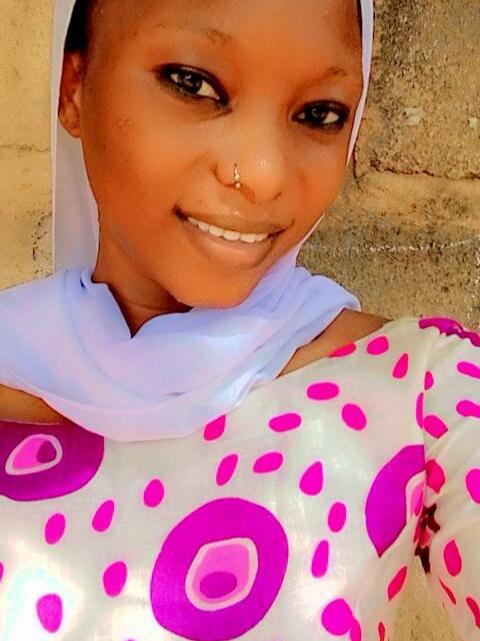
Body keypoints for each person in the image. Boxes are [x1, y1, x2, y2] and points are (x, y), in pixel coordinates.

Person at [0, 0, 478, 639]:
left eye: (319, 114)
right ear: (74, 86)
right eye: (193, 84)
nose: (262, 175)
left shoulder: (425, 390)